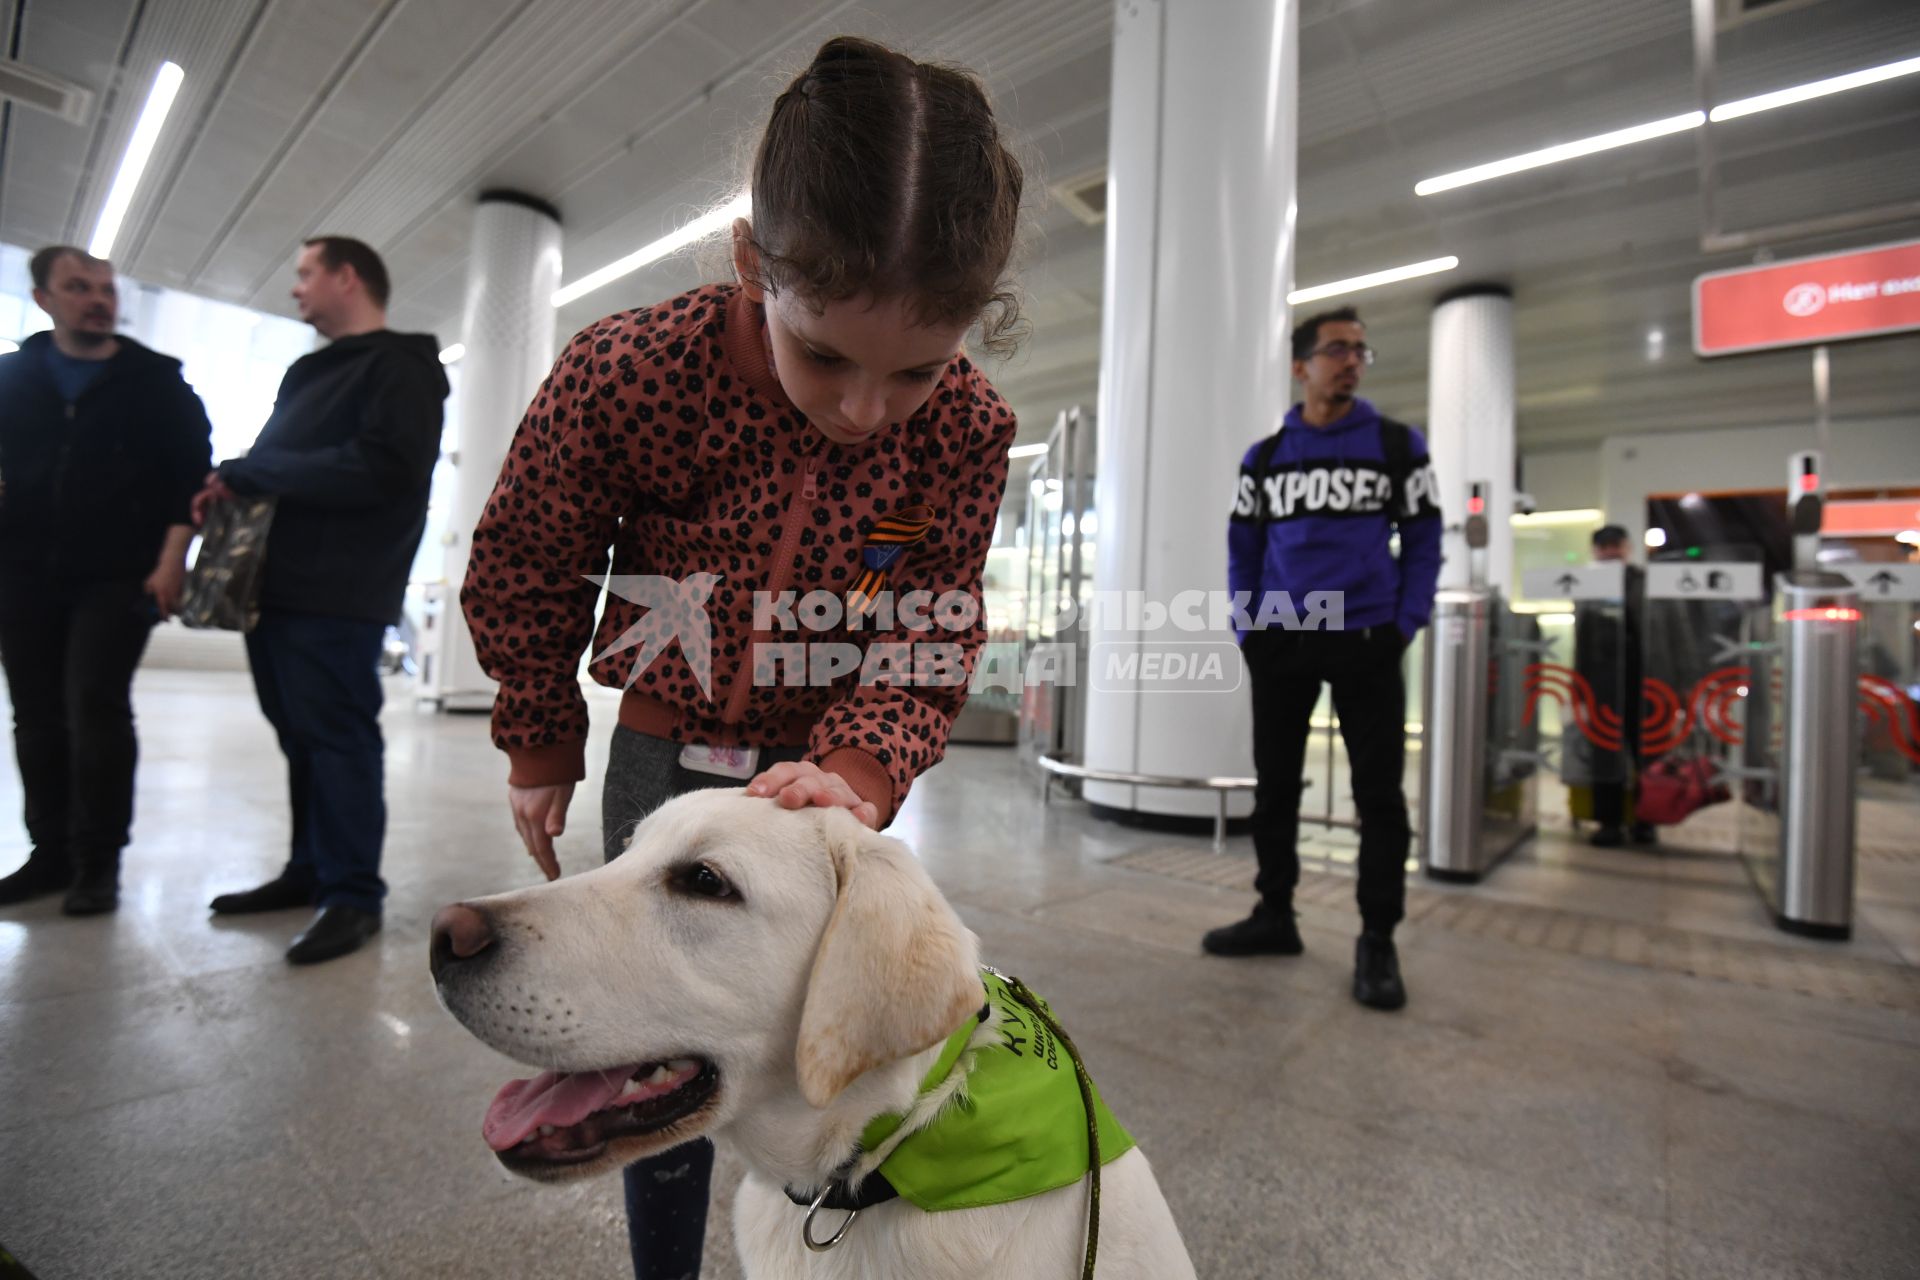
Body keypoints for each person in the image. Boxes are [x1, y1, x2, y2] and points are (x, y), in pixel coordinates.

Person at [460, 36, 1022, 1280]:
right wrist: (540, 733)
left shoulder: (967, 433)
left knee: (823, 1038)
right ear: (752, 263)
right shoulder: (630, 369)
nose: (868, 409)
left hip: (823, 781)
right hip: (668, 746)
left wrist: (863, 770)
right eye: (825, 354)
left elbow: (931, 616)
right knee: (655, 1039)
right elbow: (530, 553)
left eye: (916, 372)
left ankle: (839, 1240)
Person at [197, 236, 448, 964]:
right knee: (299, 735)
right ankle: (309, 869)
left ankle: (352, 895)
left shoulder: (403, 367)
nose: (296, 287)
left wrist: (254, 471)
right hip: (276, 586)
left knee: (337, 738)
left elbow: (383, 469)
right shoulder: (310, 370)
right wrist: (245, 479)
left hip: (339, 591)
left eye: (305, 273)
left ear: (347, 278)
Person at [1204, 306, 1443, 1012]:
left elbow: (1425, 541)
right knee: (1275, 786)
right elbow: (1243, 547)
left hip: (1368, 637)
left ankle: (1377, 938)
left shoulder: (1398, 445)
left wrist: (1406, 622)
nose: (1352, 360)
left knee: (1379, 797)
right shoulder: (1267, 457)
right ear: (1301, 364)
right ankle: (1274, 913)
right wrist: (1248, 624)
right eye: (1337, 349)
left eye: (1360, 350)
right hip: (1282, 637)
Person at [0, 247, 212, 914]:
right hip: (22, 571)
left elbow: (191, 478)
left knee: (95, 708)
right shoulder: (12, 377)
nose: (98, 298)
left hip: (120, 575)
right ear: (44, 299)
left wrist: (171, 558)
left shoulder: (158, 383)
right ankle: (50, 854)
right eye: (78, 287)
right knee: (35, 718)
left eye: (105, 288)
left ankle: (98, 862)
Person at [1580, 524, 1653, 847]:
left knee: (1647, 752)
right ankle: (1608, 822)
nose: (1610, 552)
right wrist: (1578, 684)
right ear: (1595, 551)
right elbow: (1582, 634)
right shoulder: (1589, 585)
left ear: (1628, 548)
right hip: (1602, 681)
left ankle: (1647, 820)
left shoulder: (1645, 582)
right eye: (1603, 547)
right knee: (1604, 751)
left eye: (1616, 546)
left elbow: (1667, 628)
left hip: (1644, 678)